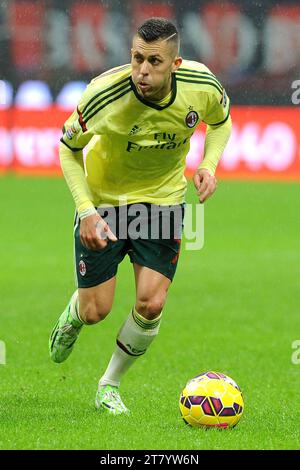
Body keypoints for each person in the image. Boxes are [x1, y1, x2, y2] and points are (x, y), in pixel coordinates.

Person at [49, 17, 232, 415]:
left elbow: (221, 122)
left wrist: (209, 165)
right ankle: (76, 314)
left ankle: (109, 385)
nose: (142, 71)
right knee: (97, 310)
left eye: (154, 62)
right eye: (136, 59)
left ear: (176, 64)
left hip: (163, 202)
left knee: (151, 304)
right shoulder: (104, 94)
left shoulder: (201, 86)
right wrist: (84, 212)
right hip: (104, 203)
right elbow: (66, 148)